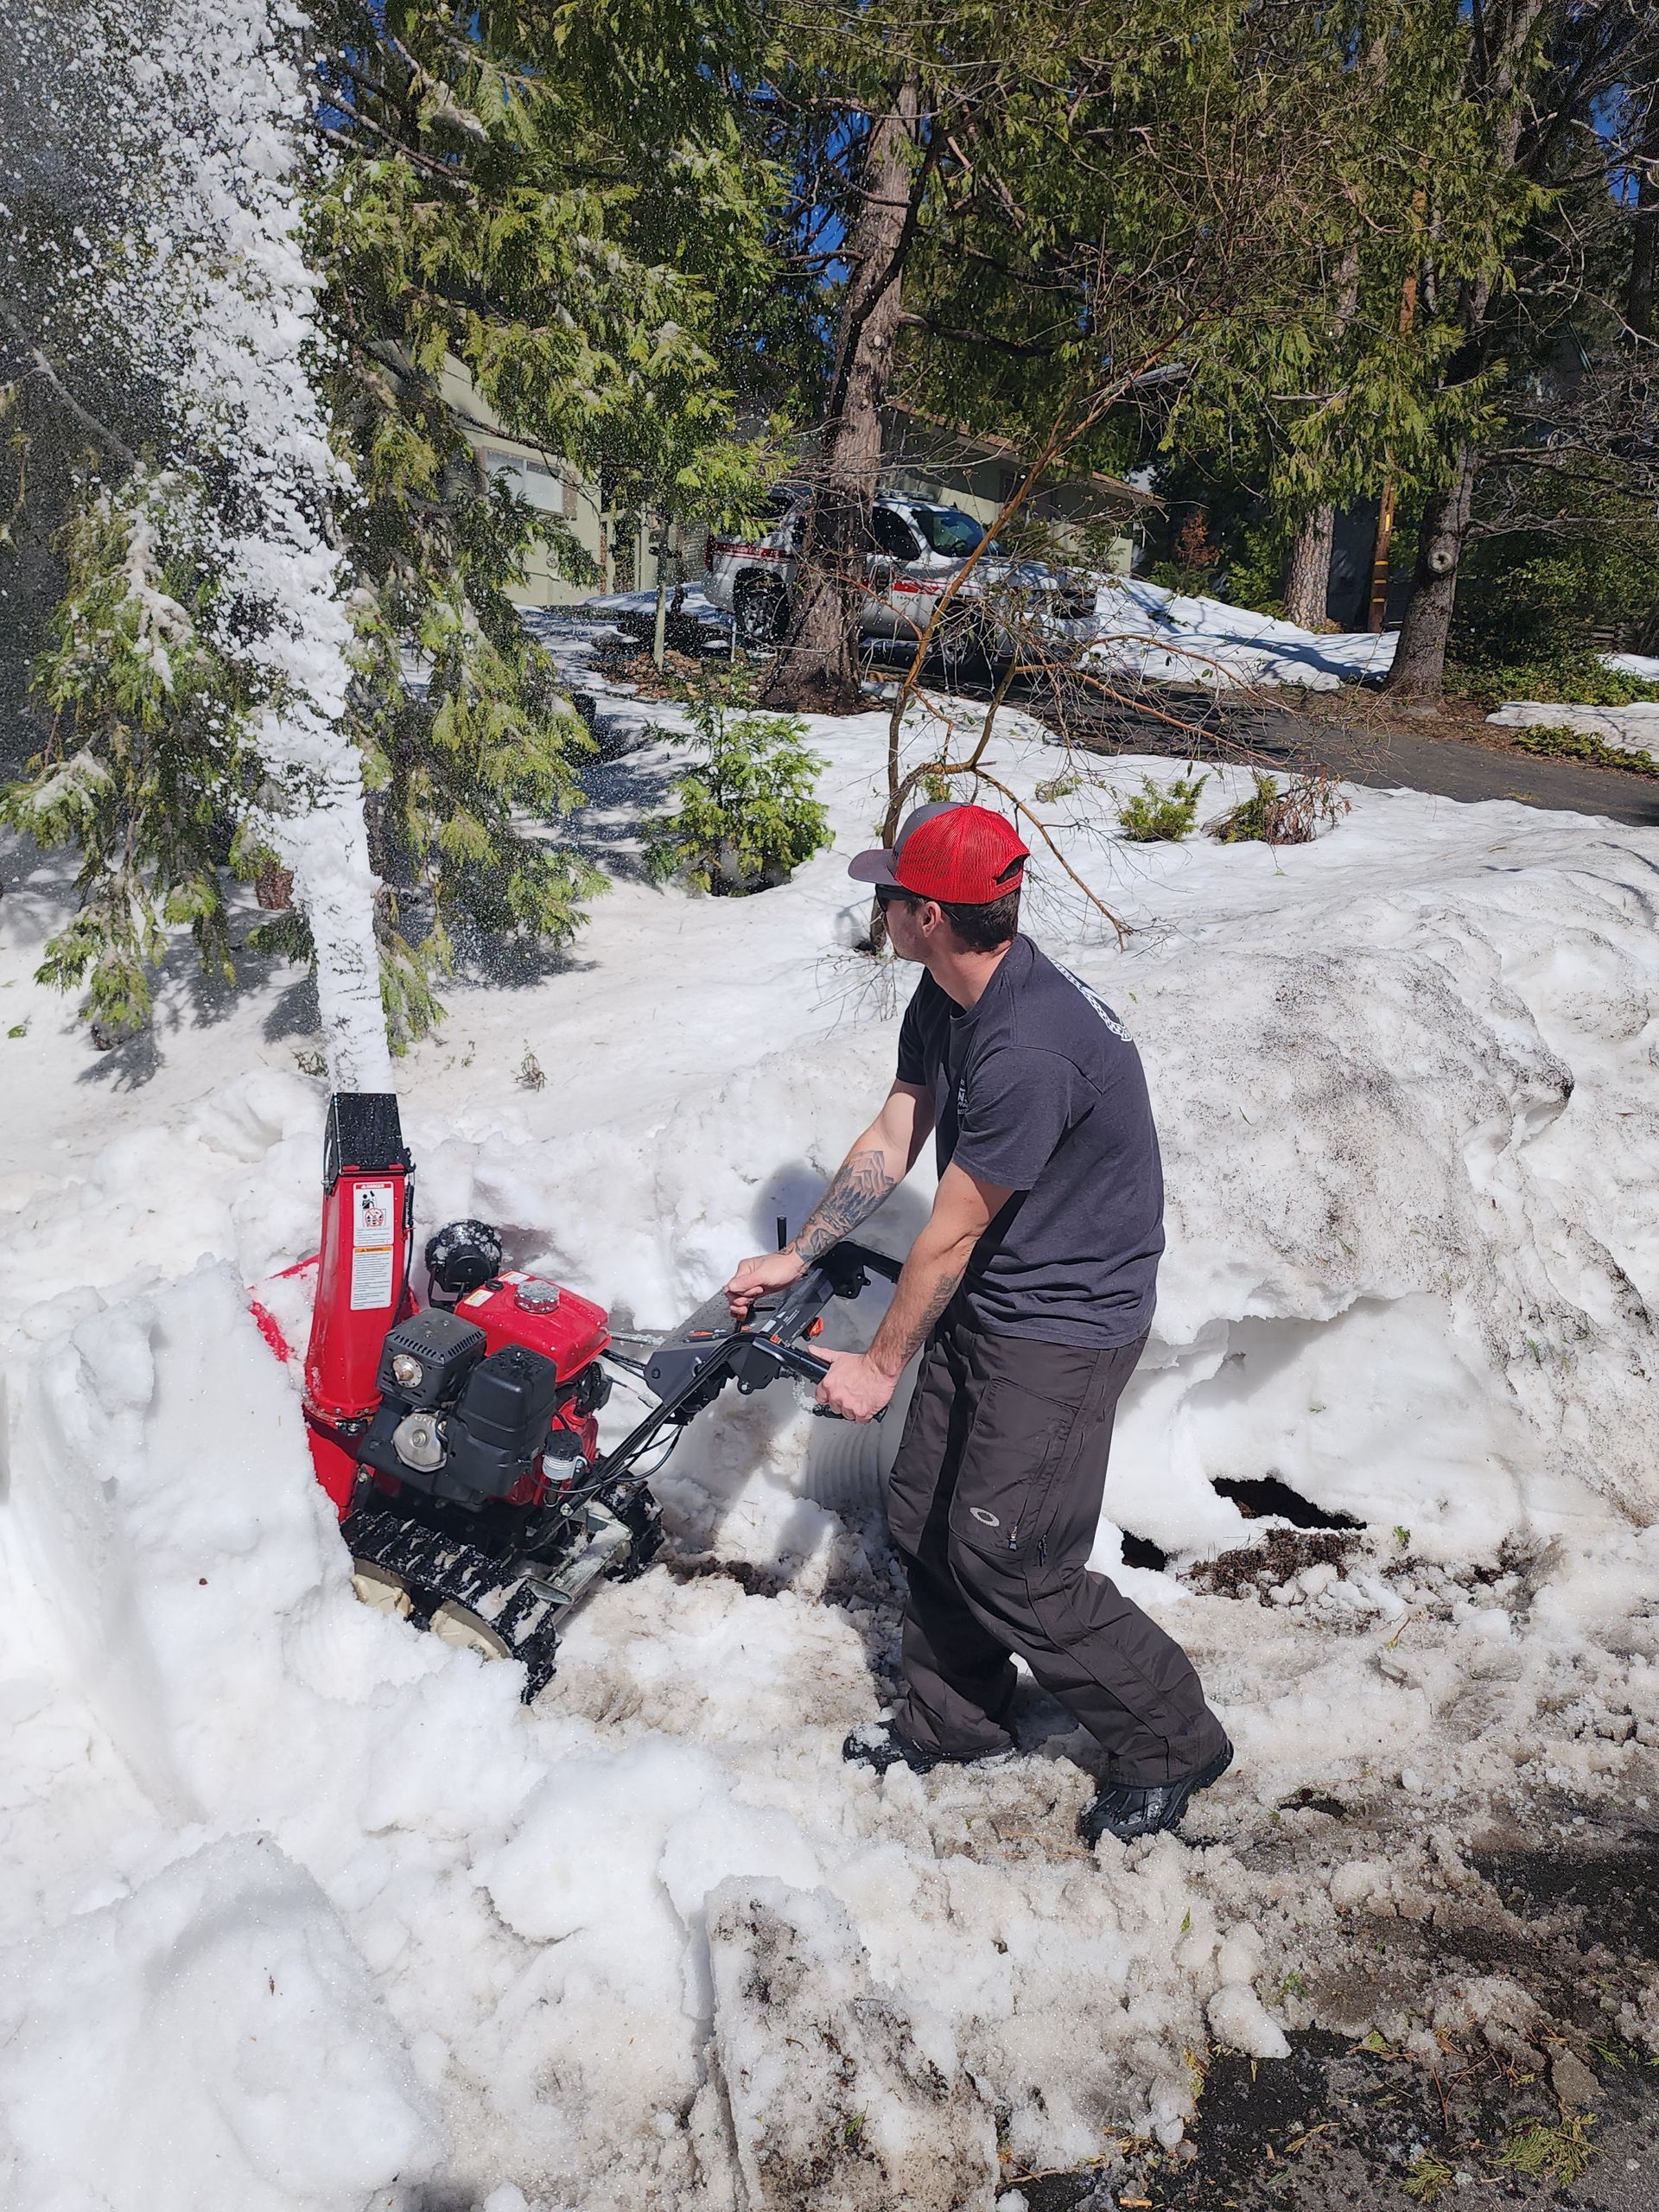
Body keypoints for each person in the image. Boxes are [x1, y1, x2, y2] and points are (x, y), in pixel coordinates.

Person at [725, 799, 1232, 1844]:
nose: (880, 906)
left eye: (891, 895)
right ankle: (957, 1721)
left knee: (1014, 1553)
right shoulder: (949, 994)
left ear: (932, 915)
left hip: (1064, 1323)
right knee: (924, 1516)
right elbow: (900, 1122)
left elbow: (949, 1237)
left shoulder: (1032, 1050)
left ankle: (1173, 1737)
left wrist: (876, 1363)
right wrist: (800, 1250)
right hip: (996, 1291)